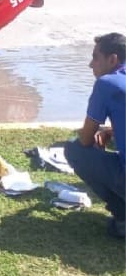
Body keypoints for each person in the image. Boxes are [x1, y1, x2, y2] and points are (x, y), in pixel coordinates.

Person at [65, 32, 126, 239]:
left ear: (112, 60)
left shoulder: (107, 84)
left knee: (74, 150)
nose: (91, 65)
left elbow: (84, 140)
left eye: (95, 58)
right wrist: (111, 130)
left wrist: (96, 137)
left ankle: (123, 219)